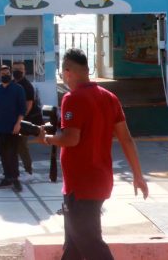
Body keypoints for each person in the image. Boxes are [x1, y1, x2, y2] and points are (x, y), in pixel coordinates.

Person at [41, 48, 149, 260]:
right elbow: (126, 139)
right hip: (99, 182)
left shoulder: (72, 98)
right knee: (73, 246)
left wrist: (47, 138)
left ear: (68, 72)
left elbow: (71, 139)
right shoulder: (109, 97)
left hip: (81, 187)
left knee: (90, 244)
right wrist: (138, 175)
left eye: (62, 72)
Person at [12, 62, 40, 180]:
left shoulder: (27, 86)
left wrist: (20, 120)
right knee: (11, 146)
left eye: (20, 69)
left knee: (21, 146)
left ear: (24, 71)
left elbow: (28, 105)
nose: (18, 71)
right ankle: (10, 170)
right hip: (13, 120)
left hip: (23, 121)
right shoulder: (12, 83)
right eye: (15, 69)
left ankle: (28, 171)